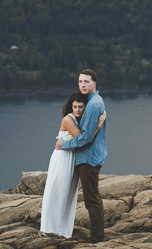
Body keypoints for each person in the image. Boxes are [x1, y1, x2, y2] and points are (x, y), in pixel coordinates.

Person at [39, 92, 104, 237]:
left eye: (81, 107)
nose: (77, 110)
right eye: (75, 106)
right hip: (62, 158)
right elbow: (84, 139)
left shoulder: (79, 120)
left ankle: (63, 230)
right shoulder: (68, 120)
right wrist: (98, 125)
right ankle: (51, 229)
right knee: (58, 192)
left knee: (68, 195)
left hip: (71, 159)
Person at [56, 69, 107, 242]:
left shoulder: (93, 105)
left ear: (94, 83)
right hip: (89, 156)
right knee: (93, 197)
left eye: (86, 82)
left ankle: (96, 238)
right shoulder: (92, 101)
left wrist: (64, 144)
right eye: (80, 81)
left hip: (88, 157)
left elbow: (85, 138)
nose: (83, 85)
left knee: (91, 200)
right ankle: (97, 235)